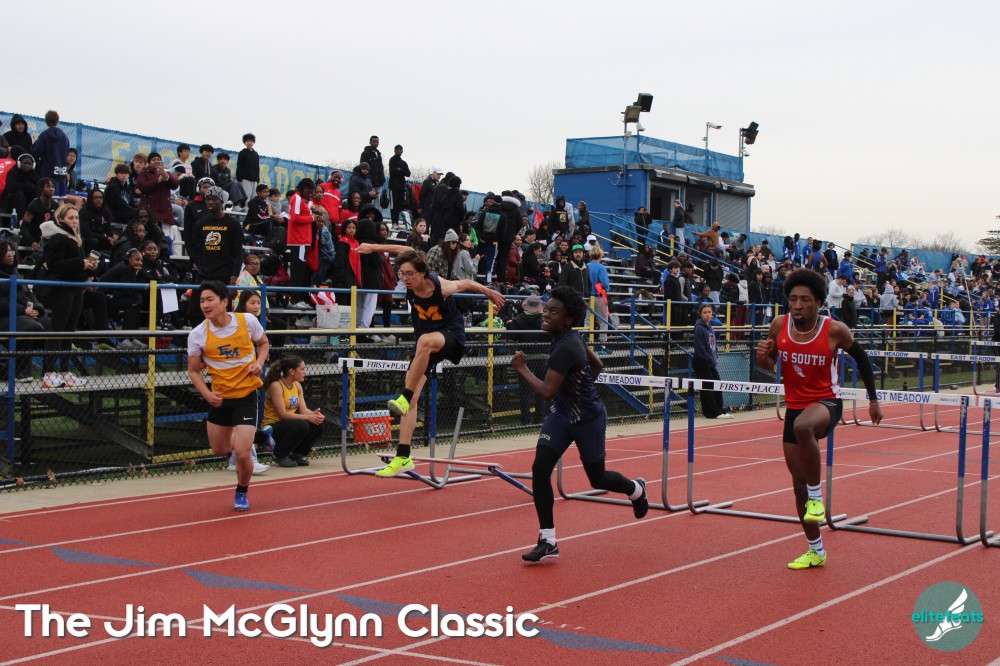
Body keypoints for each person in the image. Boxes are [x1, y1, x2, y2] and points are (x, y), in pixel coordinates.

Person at [756, 269, 882, 570]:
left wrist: (873, 399)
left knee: (804, 427)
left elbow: (863, 360)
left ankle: (817, 498)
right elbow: (770, 363)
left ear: (818, 303)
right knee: (797, 485)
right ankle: (816, 550)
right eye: (793, 299)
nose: (797, 305)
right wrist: (763, 356)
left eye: (805, 300)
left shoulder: (834, 330)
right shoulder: (779, 325)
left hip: (826, 402)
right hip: (795, 406)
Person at [512, 286, 648, 562]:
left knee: (598, 478)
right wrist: (576, 390)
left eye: (553, 312)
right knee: (540, 469)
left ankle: (636, 489)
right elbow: (596, 365)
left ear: (569, 319)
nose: (546, 315)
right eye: (546, 309)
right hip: (562, 416)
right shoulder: (570, 338)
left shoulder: (567, 347)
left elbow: (547, 392)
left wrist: (523, 368)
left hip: (588, 419)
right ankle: (548, 540)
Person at [353, 245, 505, 476]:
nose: (405, 279)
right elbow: (406, 249)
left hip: (450, 336)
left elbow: (466, 283)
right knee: (413, 396)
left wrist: (489, 293)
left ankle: (404, 397)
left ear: (423, 273)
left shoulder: (440, 286)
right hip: (426, 343)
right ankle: (403, 456)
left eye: (409, 274)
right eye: (402, 274)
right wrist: (374, 247)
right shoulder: (411, 278)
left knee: (422, 347)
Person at [186, 281, 270, 511]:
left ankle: (242, 491)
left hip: (245, 395)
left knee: (242, 454)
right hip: (220, 398)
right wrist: (206, 393)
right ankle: (259, 436)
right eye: (202, 301)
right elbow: (193, 371)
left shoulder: (247, 321)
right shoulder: (198, 334)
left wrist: (259, 363)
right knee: (220, 450)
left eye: (210, 299)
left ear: (225, 302)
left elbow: (263, 344)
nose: (205, 305)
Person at [39, 204, 99, 388]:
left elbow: (77, 267)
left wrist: (89, 268)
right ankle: (48, 372)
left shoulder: (75, 238)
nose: (75, 221)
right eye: (71, 218)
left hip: (76, 288)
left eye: (76, 217)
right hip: (62, 289)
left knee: (69, 331)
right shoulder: (58, 238)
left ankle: (64, 371)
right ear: (61, 219)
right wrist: (80, 263)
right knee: (58, 330)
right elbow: (54, 264)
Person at [261, 356, 325, 468]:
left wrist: (314, 415)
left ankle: (297, 454)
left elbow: (303, 409)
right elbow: (282, 414)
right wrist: (307, 417)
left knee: (317, 424)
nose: (305, 372)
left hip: (289, 424)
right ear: (292, 371)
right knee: (302, 424)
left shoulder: (297, 385)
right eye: (302, 369)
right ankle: (279, 454)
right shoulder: (276, 386)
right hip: (272, 427)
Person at [693, 303, 732, 419]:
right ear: (701, 314)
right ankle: (711, 412)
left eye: (709, 312)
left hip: (710, 361)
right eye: (705, 312)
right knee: (708, 387)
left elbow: (713, 345)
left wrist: (714, 357)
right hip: (702, 362)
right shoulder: (699, 328)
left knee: (717, 384)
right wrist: (708, 358)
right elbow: (700, 348)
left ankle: (719, 409)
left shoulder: (710, 327)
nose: (707, 314)